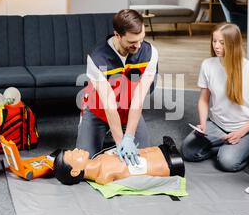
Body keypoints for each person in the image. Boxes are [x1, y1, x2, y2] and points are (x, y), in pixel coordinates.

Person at [181, 23, 249, 172]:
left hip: (246, 130)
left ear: (233, 44)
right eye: (214, 41)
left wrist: (241, 133)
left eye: (222, 42)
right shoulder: (207, 65)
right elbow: (203, 99)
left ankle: (240, 150)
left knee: (227, 163)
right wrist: (202, 124)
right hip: (216, 125)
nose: (216, 46)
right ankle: (224, 147)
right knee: (187, 151)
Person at [77, 9, 158, 166]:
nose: (139, 46)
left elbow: (138, 99)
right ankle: (99, 129)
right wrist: (121, 142)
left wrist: (129, 137)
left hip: (129, 109)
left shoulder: (150, 53)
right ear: (117, 35)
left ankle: (116, 134)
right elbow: (109, 105)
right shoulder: (96, 57)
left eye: (141, 39)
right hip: (99, 110)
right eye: (132, 42)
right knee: (84, 164)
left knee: (143, 162)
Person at [54, 136, 184, 185]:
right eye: (73, 155)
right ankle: (170, 160)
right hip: (165, 165)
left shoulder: (98, 158)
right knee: (139, 162)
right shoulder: (103, 176)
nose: (76, 149)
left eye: (72, 150)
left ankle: (162, 150)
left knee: (138, 152)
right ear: (75, 172)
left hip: (150, 156)